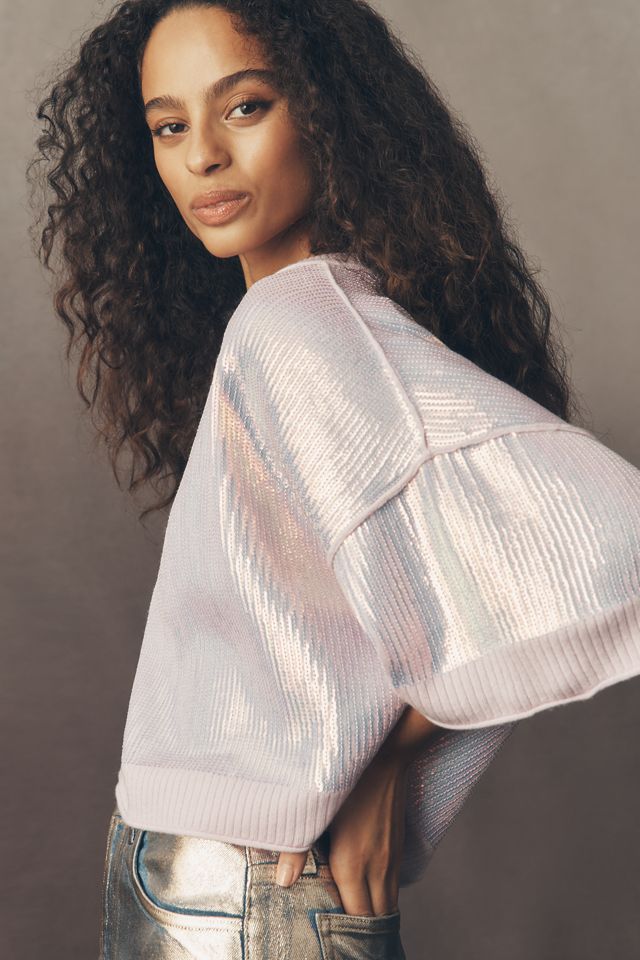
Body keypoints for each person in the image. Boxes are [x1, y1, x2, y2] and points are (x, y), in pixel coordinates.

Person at [26, 1, 640, 958]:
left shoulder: (302, 325)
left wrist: (390, 763)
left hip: (241, 898)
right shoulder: (289, 326)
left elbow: (608, 538)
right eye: (169, 126)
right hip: (234, 892)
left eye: (245, 106)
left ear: (324, 111)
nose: (202, 157)